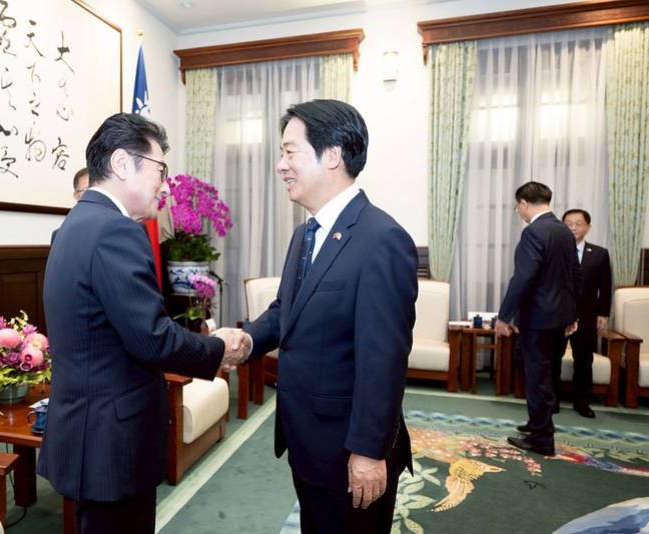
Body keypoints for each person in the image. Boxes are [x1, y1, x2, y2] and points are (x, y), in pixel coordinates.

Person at [37, 113, 248, 534]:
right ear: (121, 163)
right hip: (112, 443)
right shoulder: (115, 231)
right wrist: (217, 349)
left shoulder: (73, 227)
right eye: (160, 170)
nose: (165, 185)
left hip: (86, 434)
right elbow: (151, 339)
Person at [229, 99, 418, 533]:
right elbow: (286, 312)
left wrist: (369, 452)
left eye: (290, 151)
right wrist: (248, 341)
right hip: (308, 441)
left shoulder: (382, 239)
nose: (281, 165)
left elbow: (383, 359)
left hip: (350, 450)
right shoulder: (305, 233)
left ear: (332, 155)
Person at [494, 181, 580, 457]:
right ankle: (536, 423)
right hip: (558, 318)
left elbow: (523, 278)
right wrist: (572, 313)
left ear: (523, 203)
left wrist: (504, 316)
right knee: (546, 374)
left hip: (539, 319)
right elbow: (575, 276)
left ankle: (543, 439)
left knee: (537, 377)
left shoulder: (534, 232)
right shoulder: (564, 232)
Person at [561, 208, 612, 418]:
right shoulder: (555, 251)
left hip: (587, 316)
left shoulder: (599, 254)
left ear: (588, 227)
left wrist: (603, 313)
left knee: (584, 360)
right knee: (553, 358)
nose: (573, 227)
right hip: (559, 315)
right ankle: (550, 399)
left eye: (578, 223)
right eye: (568, 223)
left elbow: (605, 286)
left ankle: (582, 401)